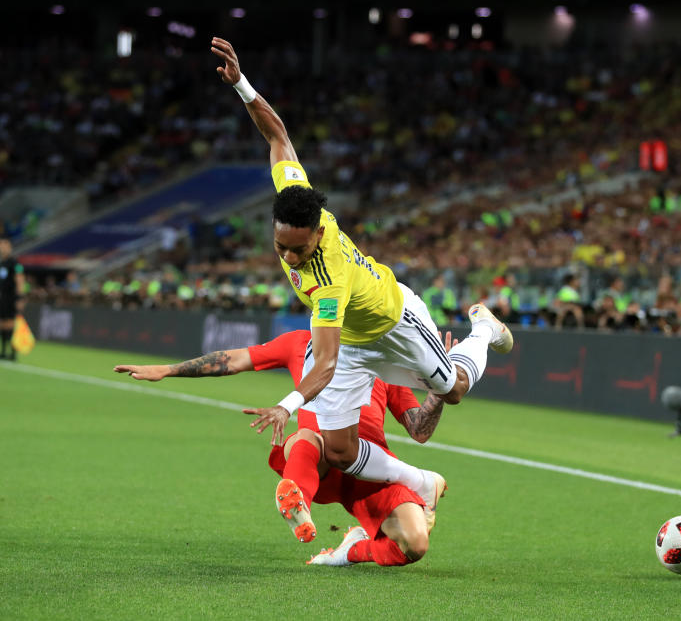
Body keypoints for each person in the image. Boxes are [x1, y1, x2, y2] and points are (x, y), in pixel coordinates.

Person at [209, 36, 513, 526]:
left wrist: (287, 405)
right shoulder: (295, 197)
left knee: (452, 389)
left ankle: (484, 329)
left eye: (299, 249)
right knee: (340, 450)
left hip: (395, 320)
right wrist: (242, 84)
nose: (289, 255)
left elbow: (324, 362)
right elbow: (278, 138)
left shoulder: (328, 278)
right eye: (281, 244)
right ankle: (420, 481)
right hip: (352, 340)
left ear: (315, 236)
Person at [113, 329, 446, 566]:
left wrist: (440, 389)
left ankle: (351, 549)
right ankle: (296, 499)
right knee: (307, 438)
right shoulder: (301, 343)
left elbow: (418, 429)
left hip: (369, 468)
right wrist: (169, 370)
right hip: (319, 459)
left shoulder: (383, 361)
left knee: (415, 544)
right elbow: (235, 359)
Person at [0, 239, 25, 361]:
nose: (1, 248)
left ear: (9, 247)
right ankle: (3, 351)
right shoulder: (0, 264)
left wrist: (20, 298)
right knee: (0, 324)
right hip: (1, 298)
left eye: (4, 245)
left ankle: (13, 353)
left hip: (11, 297)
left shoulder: (14, 263)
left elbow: (20, 280)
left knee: (10, 324)